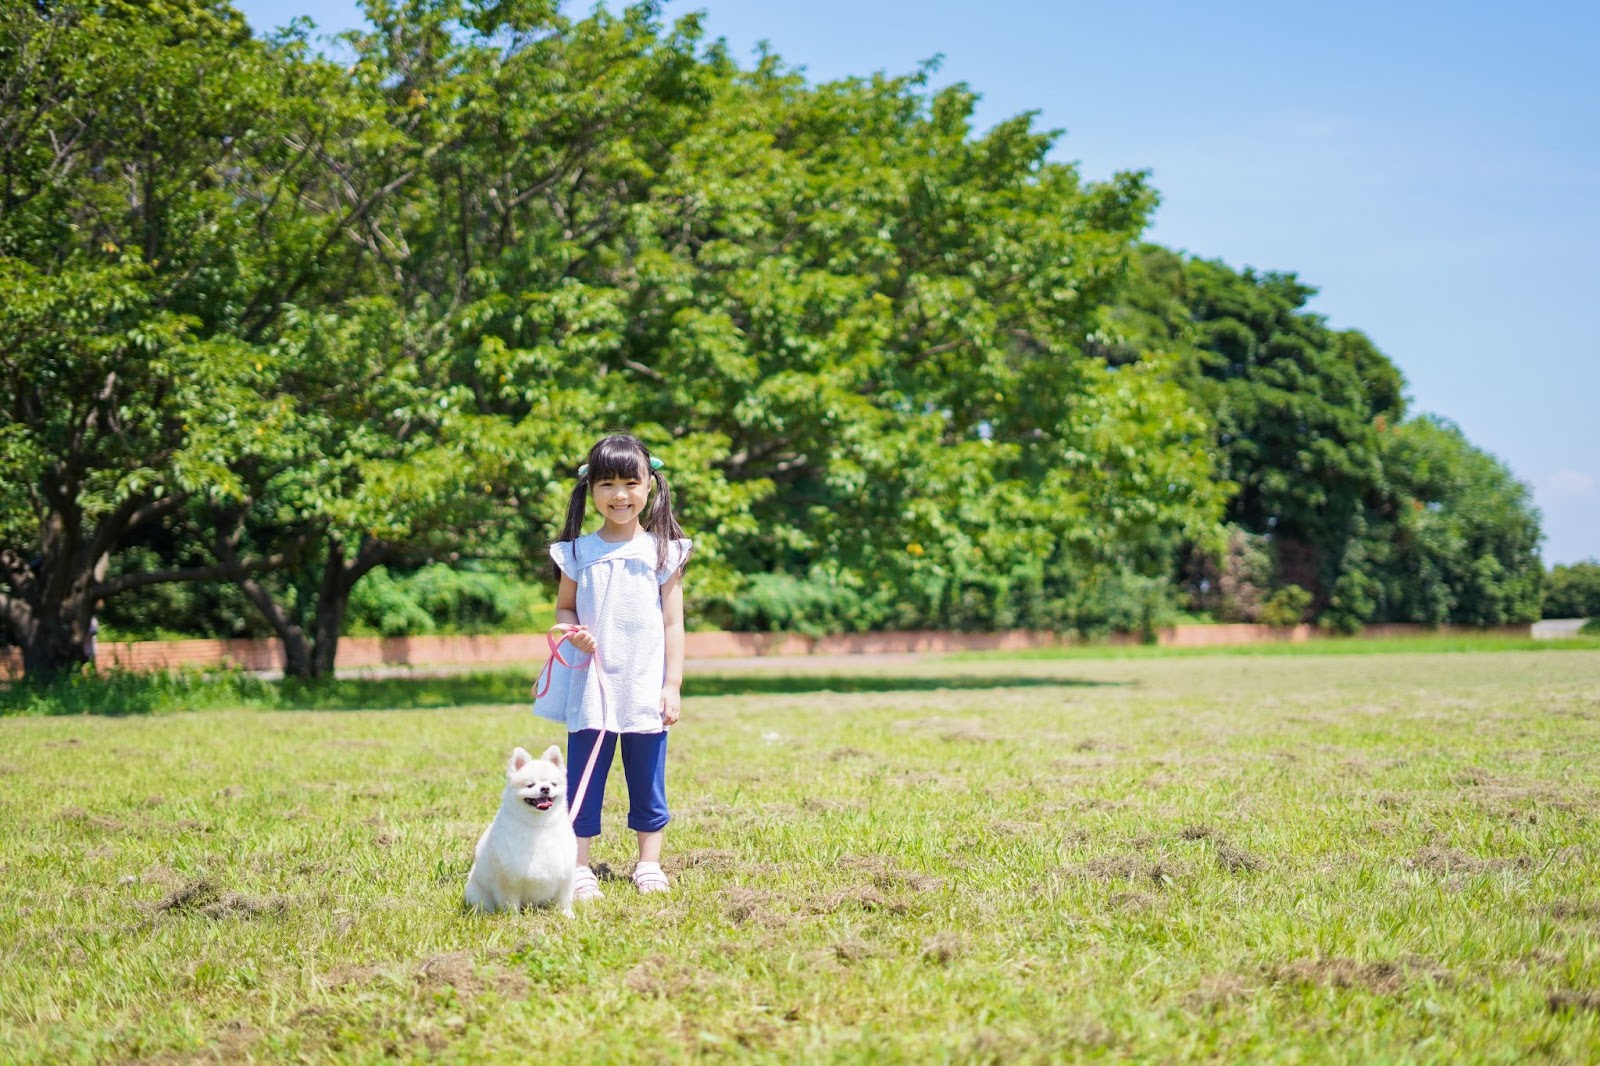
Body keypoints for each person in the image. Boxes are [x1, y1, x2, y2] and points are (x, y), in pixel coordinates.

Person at [535, 434, 690, 899]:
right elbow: (565, 609)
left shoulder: (664, 550)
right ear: (590, 490)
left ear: (650, 486)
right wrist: (574, 632)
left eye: (629, 482)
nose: (619, 495)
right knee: (584, 774)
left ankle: (649, 863)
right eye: (607, 484)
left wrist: (673, 685)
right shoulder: (578, 552)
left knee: (648, 777)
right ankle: (578, 866)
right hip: (592, 686)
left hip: (644, 684)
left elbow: (673, 622)